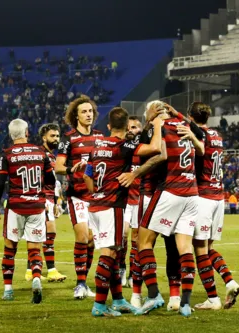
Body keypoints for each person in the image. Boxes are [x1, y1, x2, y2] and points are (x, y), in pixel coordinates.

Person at [83, 107, 164, 317]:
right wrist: (157, 125)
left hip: (95, 204)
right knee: (109, 254)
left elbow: (87, 175)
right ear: (126, 124)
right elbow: (155, 148)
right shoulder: (124, 146)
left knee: (116, 253)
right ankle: (100, 305)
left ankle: (118, 299)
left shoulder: (96, 145)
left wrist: (98, 191)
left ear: (109, 124)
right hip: (112, 206)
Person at [126, 102, 205, 317]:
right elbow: (202, 143)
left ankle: (152, 295)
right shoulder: (183, 126)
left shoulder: (156, 127)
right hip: (192, 193)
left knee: (142, 242)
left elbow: (157, 153)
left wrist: (152, 121)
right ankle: (185, 303)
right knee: (184, 247)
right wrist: (178, 114)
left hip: (169, 191)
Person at [0, 119, 56, 303]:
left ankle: (8, 290)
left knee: (10, 249)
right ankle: (36, 278)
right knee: (34, 248)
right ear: (27, 132)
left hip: (16, 206)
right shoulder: (40, 152)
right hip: (37, 206)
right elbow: (51, 179)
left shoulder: (7, 155)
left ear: (11, 134)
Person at [187, 102, 239, 311]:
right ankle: (229, 282)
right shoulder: (216, 135)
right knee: (208, 248)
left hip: (203, 196)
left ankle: (212, 298)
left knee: (199, 249)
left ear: (191, 117)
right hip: (218, 196)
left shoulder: (200, 136)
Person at [55, 95, 103, 299]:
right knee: (83, 237)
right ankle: (80, 284)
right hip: (77, 195)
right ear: (76, 116)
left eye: (90, 111)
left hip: (97, 195)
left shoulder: (101, 137)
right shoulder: (69, 139)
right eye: (84, 111)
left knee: (92, 241)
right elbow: (58, 166)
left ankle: (84, 283)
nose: (88, 114)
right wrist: (70, 169)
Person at [24, 124, 67, 282]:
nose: (56, 139)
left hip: (49, 198)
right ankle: (52, 270)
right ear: (44, 138)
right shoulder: (40, 154)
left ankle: (30, 271)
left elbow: (54, 182)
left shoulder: (53, 156)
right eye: (52, 136)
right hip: (41, 198)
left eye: (57, 136)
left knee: (39, 235)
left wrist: (57, 200)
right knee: (50, 233)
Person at [123, 116, 143, 288]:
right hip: (123, 200)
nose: (132, 130)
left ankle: (132, 274)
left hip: (139, 200)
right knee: (121, 237)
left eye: (136, 127)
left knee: (136, 239)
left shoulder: (145, 150)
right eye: (129, 127)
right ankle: (121, 270)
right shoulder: (122, 149)